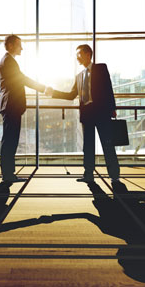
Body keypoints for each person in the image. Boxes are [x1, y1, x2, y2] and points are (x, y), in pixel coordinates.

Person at [45, 44, 120, 183]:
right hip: (87, 114)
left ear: (87, 54)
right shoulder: (79, 76)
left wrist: (112, 108)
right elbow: (71, 95)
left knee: (107, 144)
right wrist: (53, 93)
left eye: (79, 53)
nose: (77, 57)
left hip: (102, 113)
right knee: (88, 146)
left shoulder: (101, 68)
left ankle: (115, 176)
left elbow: (109, 88)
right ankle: (88, 175)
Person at [0, 35, 46, 183]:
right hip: (11, 105)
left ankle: (8, 174)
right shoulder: (9, 61)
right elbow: (22, 79)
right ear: (11, 45)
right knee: (10, 141)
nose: (22, 48)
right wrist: (42, 87)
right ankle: (8, 175)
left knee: (10, 140)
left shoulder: (7, 60)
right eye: (19, 45)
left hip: (11, 105)